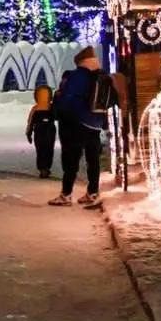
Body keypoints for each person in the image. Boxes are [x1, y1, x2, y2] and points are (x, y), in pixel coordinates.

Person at [48, 46, 107, 207]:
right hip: (94, 124)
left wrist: (59, 111)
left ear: (81, 61)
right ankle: (92, 192)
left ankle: (66, 195)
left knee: (71, 160)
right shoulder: (100, 75)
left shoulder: (77, 76)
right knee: (92, 159)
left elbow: (68, 100)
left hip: (76, 123)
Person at [26, 85, 57, 178]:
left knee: (42, 150)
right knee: (46, 150)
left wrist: (29, 132)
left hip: (42, 130)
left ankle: (43, 168)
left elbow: (30, 122)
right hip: (48, 130)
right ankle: (45, 168)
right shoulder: (50, 107)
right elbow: (30, 122)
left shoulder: (36, 108)